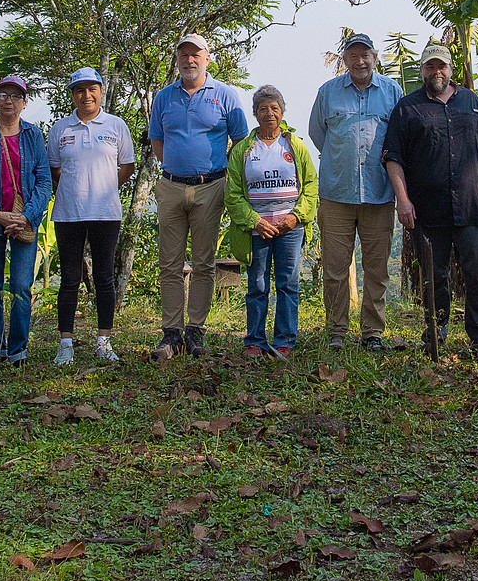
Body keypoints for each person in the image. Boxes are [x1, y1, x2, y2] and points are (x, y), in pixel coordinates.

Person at [383, 43, 478, 359]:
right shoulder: (408, 108)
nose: (437, 72)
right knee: (435, 277)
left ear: (451, 69)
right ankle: (435, 335)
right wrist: (403, 200)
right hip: (426, 209)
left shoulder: (471, 103)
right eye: (430, 67)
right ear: (422, 70)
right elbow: (393, 158)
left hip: (471, 205)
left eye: (442, 66)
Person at [147, 33, 250, 360]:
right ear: (177, 59)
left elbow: (241, 141)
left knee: (204, 263)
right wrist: (178, 169)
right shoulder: (164, 97)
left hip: (211, 187)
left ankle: (196, 331)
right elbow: (157, 142)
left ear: (207, 58)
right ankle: (171, 333)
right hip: (171, 186)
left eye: (196, 54)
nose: (190, 60)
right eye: (184, 55)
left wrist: (222, 176)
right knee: (170, 263)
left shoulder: (225, 95)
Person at [306, 32, 403, 351]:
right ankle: (336, 331)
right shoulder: (328, 92)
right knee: (334, 267)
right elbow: (317, 133)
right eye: (353, 55)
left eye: (366, 55)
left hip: (379, 193)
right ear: (344, 60)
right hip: (336, 194)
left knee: (376, 268)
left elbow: (400, 139)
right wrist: (341, 159)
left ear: (375, 58)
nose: (360, 61)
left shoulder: (392, 91)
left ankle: (372, 333)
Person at [49, 68, 134, 365]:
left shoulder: (116, 125)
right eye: (79, 90)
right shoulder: (61, 128)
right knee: (70, 279)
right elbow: (55, 170)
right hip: (68, 213)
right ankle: (66, 343)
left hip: (105, 213)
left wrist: (104, 188)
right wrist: (78, 189)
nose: (86, 95)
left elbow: (127, 166)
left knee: (104, 277)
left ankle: (103, 340)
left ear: (101, 91)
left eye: (92, 89)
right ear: (72, 94)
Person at [0, 74, 52, 367]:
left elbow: (43, 181)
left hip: (24, 222)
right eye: (3, 94)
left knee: (20, 287)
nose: (9, 100)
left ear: (24, 103)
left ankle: (18, 351)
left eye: (15, 96)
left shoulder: (33, 135)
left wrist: (26, 216)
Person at [228, 85, 319, 360]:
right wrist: (255, 221)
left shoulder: (295, 146)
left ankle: (284, 342)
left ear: (282, 112)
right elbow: (232, 193)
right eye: (263, 108)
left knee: (288, 284)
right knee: (257, 285)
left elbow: (311, 185)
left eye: (274, 108)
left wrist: (296, 217)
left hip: (290, 228)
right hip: (257, 229)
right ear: (255, 114)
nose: (269, 113)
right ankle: (254, 341)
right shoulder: (243, 150)